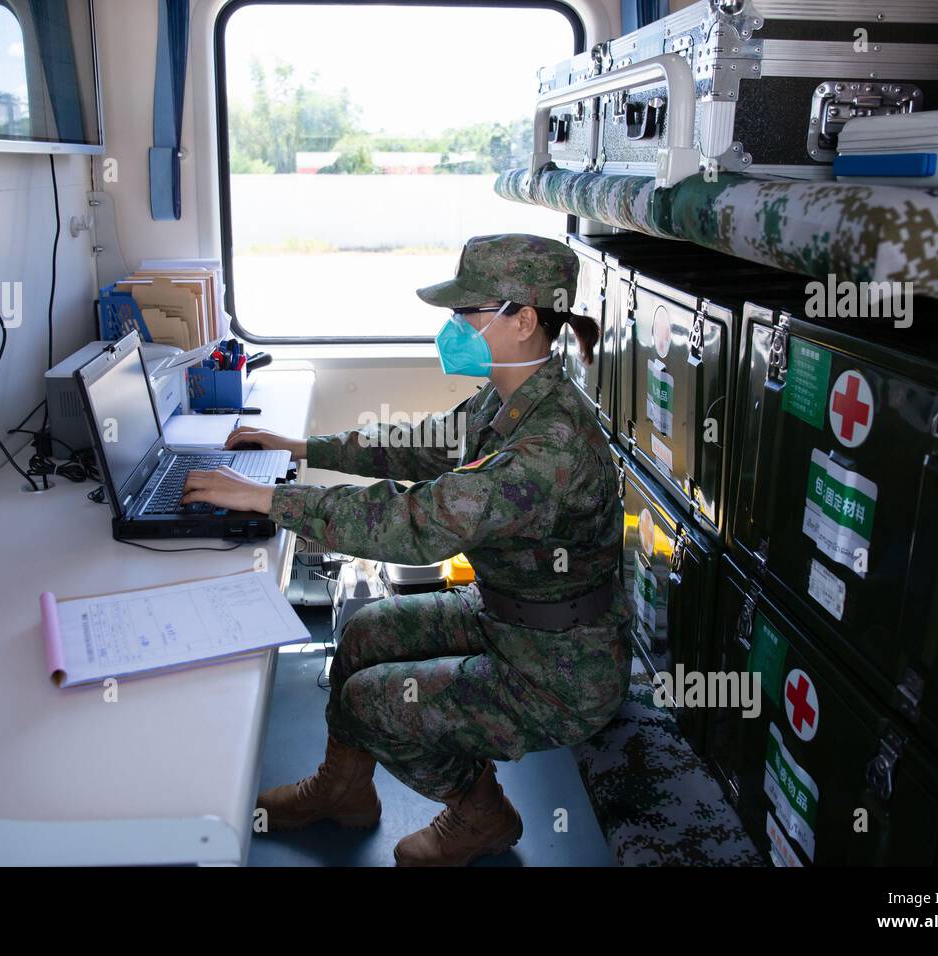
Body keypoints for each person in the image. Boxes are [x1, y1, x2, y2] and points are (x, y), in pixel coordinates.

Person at [181, 233, 629, 866]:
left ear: (524, 321)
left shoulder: (551, 444)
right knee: (366, 632)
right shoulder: (509, 400)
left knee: (373, 702)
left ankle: (482, 818)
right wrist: (303, 448)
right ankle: (343, 792)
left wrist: (266, 502)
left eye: (466, 313)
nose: (452, 327)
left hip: (560, 671)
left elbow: (417, 525)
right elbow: (419, 447)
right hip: (507, 617)